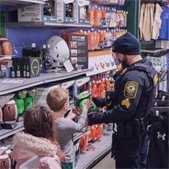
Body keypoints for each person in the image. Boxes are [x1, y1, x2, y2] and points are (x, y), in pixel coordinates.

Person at [88, 32, 158, 169]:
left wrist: (94, 118)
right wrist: (102, 101)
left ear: (127, 52)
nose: (116, 57)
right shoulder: (147, 67)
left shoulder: (134, 77)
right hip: (140, 133)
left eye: (118, 53)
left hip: (131, 138)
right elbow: (129, 100)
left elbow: (124, 111)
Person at [46, 87, 92, 169]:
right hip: (65, 160)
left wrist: (68, 117)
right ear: (65, 106)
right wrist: (85, 109)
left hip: (55, 157)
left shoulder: (50, 118)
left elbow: (61, 124)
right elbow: (79, 126)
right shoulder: (65, 124)